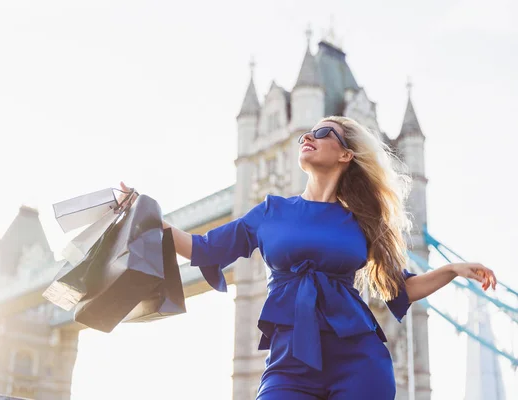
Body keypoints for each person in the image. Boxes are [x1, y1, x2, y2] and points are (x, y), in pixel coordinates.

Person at [117, 116, 497, 400]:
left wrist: (453, 269)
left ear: (346, 154)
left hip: (359, 362)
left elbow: (401, 287)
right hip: (289, 364)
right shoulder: (270, 211)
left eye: (322, 133)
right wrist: (146, 215)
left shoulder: (363, 223)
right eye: (306, 133)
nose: (307, 137)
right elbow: (203, 249)